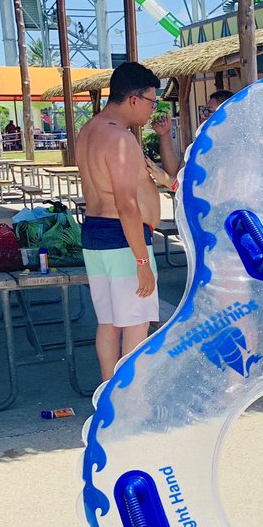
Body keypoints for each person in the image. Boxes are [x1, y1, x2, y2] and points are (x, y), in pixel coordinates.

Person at [77, 61, 166, 382]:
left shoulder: (88, 130)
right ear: (134, 99)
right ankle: (132, 403)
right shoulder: (120, 138)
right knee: (135, 324)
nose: (151, 110)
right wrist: (142, 259)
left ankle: (107, 394)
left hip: (94, 235)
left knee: (109, 321)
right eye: (152, 102)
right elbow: (127, 206)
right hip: (124, 240)